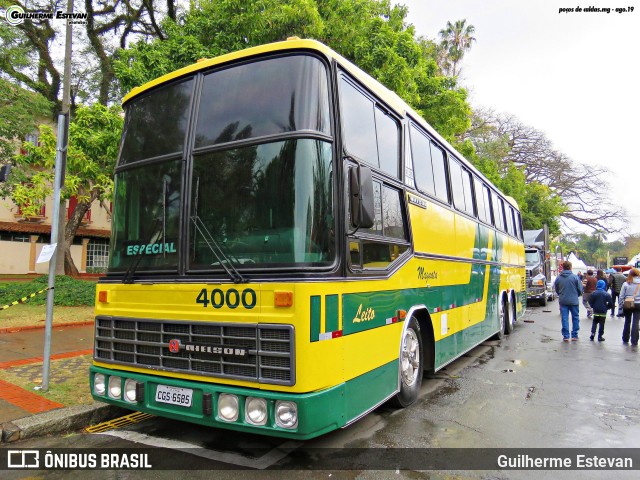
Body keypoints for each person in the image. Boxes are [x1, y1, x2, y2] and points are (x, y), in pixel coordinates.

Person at [554, 260, 583, 341]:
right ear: (570, 267)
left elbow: (556, 289)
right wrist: (576, 295)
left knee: (564, 318)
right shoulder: (575, 277)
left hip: (563, 301)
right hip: (574, 301)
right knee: (575, 317)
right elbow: (580, 289)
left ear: (563, 267)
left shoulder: (558, 278)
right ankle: (574, 335)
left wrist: (561, 294)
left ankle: (566, 336)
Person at [618, 268, 640, 345]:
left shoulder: (626, 283)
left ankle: (625, 338)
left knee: (627, 321)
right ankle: (634, 340)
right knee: (636, 322)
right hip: (638, 304)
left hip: (627, 303)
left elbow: (621, 296)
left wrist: (620, 307)